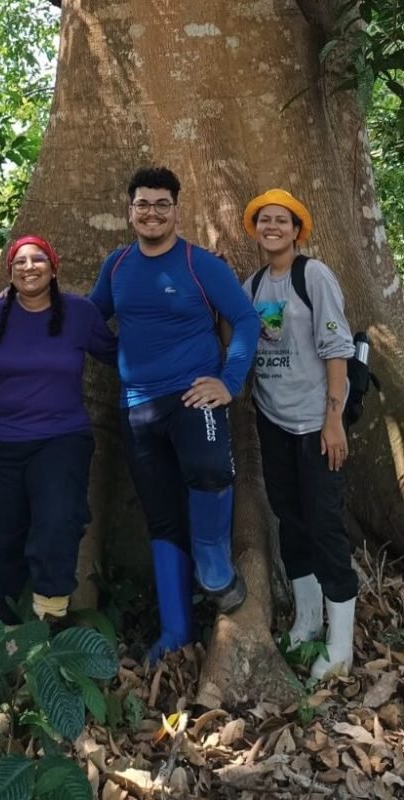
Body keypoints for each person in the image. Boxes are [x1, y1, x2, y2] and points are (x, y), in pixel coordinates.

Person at [90, 166, 260, 662]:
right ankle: (175, 631)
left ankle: (214, 565)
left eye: (161, 204)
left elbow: (245, 319)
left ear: (176, 210)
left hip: (194, 397)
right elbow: (90, 318)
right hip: (137, 407)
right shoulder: (117, 266)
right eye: (142, 204)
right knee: (161, 516)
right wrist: (116, 355)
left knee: (209, 470)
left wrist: (228, 383)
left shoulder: (198, 264)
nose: (151, 213)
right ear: (130, 211)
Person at [0, 235, 117, 624]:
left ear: (53, 267)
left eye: (38, 259)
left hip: (61, 438)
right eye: (20, 262)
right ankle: (11, 628)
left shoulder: (80, 313)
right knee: (1, 537)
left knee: (58, 522)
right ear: (9, 273)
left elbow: (120, 355)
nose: (29, 267)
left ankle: (50, 623)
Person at [241, 188, 358, 680]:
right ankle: (308, 621)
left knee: (324, 521)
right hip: (273, 420)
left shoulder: (314, 276)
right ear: (256, 229)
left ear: (296, 230)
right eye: (264, 220)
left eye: (281, 221)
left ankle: (341, 643)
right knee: (289, 517)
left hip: (316, 422)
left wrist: (334, 419)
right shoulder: (252, 284)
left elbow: (337, 349)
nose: (272, 227)